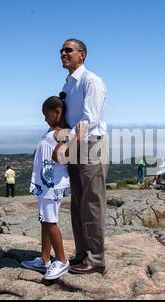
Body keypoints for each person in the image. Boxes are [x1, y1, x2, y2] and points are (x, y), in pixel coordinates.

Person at [58, 39, 109, 274]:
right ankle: (82, 254)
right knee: (78, 203)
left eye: (69, 50)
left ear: (83, 54)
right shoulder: (69, 84)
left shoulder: (91, 81)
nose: (63, 53)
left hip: (90, 145)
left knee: (92, 203)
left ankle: (96, 258)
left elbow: (89, 119)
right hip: (77, 145)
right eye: (62, 50)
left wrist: (67, 147)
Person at [21, 96, 71, 280]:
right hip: (45, 183)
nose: (44, 119)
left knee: (50, 221)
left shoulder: (65, 132)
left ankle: (62, 260)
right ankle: (44, 259)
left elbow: (61, 157)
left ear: (57, 112)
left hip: (53, 184)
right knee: (45, 220)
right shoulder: (54, 130)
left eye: (46, 114)